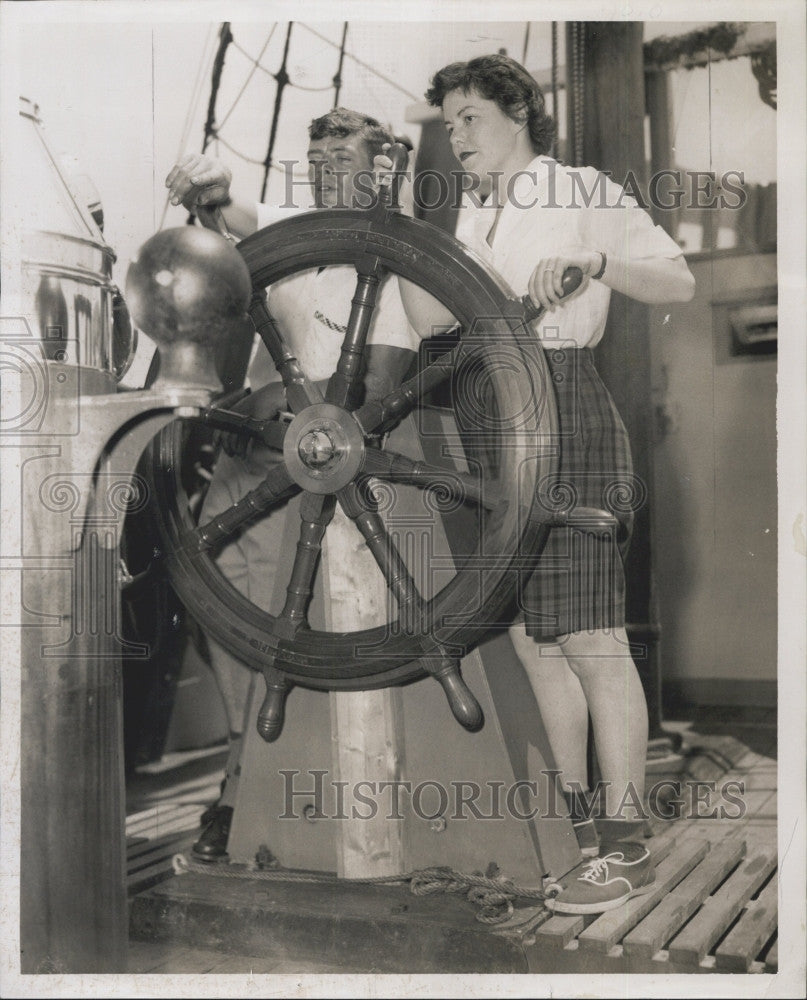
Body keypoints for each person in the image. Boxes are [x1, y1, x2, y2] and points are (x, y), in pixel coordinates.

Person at [377, 53, 695, 914]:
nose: (458, 135)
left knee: (591, 637)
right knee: (533, 642)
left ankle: (628, 848)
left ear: (518, 111)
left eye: (470, 117)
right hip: (488, 425)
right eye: (449, 123)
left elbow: (676, 278)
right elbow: (428, 322)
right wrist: (406, 232)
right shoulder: (471, 220)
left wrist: (593, 260)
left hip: (565, 406)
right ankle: (579, 833)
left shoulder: (582, 188)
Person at [165, 108, 422, 859]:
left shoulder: (394, 252)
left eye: (341, 155)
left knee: (268, 621)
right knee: (214, 605)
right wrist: (205, 182)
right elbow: (233, 210)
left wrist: (278, 400)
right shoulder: (297, 224)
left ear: (380, 165)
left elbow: (376, 390)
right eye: (315, 156)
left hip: (311, 470)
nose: (324, 168)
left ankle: (238, 794)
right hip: (249, 455)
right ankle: (238, 773)